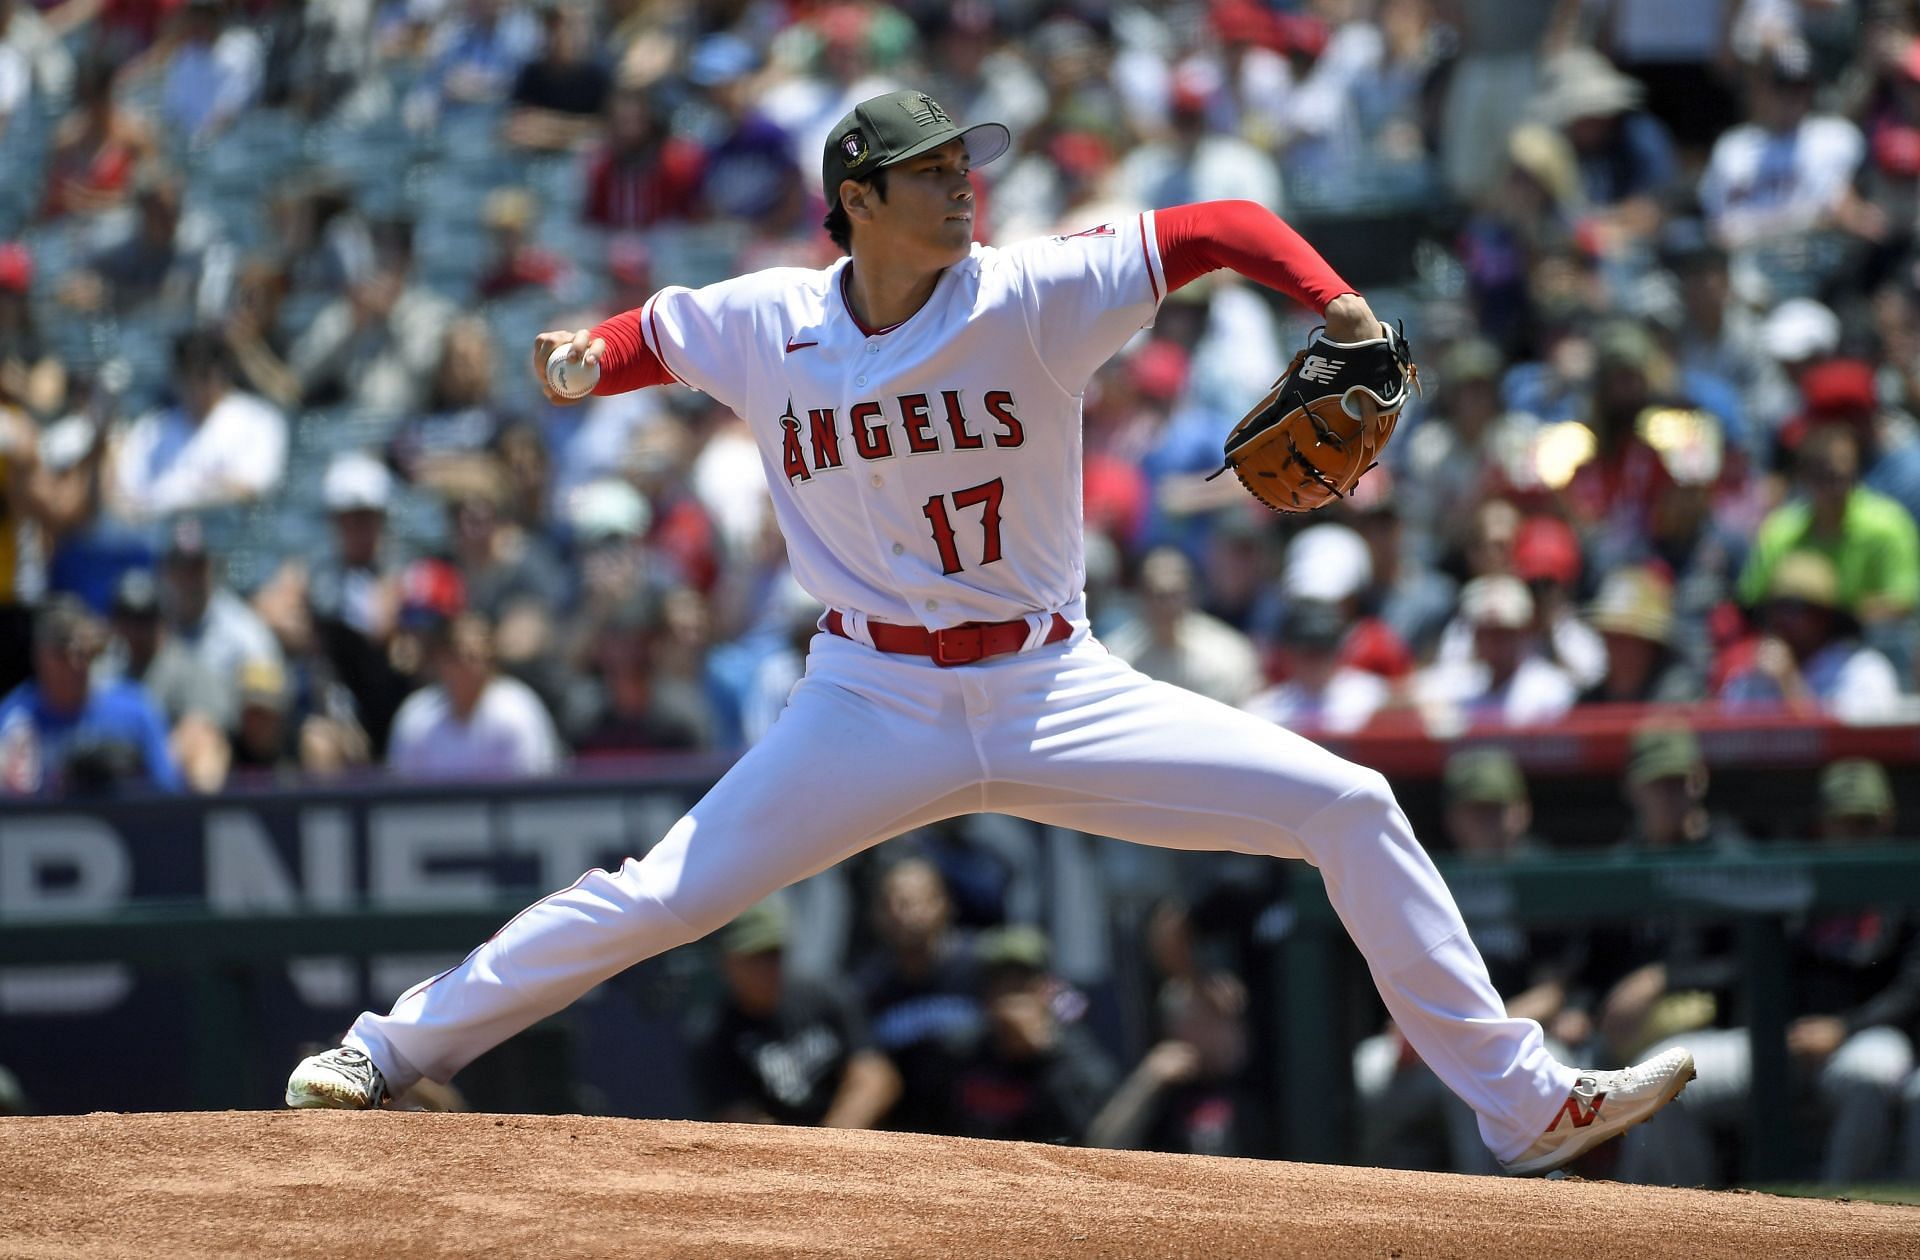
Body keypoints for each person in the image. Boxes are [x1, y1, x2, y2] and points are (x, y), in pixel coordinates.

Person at [288, 89, 1694, 1175]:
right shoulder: (771, 319)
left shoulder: (1032, 291)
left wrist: (1336, 304)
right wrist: (589, 356)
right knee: (660, 896)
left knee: (1349, 801)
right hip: (865, 701)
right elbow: (655, 332)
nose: (970, 183)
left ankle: (1520, 1104)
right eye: (936, 170)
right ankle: (382, 1049)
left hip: (1052, 683)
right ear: (858, 199)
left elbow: (1212, 229)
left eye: (972, 163)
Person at [688, 898, 901, 1129]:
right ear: (727, 962)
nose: (767, 968)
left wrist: (829, 1144)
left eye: (773, 954)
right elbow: (739, 1117)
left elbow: (875, 1078)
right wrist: (799, 1155)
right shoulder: (713, 1032)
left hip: (842, 1136)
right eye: (754, 957)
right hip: (776, 1152)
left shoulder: (824, 995)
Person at [0, 595, 180, 796]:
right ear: (38, 657)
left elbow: (169, 789)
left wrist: (128, 780)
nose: (75, 664)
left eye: (83, 652)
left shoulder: (136, 710)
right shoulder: (13, 718)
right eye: (61, 653)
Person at [385, 611, 562, 781]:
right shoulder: (416, 717)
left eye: (475, 657)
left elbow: (532, 795)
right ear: (440, 661)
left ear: (491, 661)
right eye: (456, 657)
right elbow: (401, 798)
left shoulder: (517, 712)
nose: (466, 667)